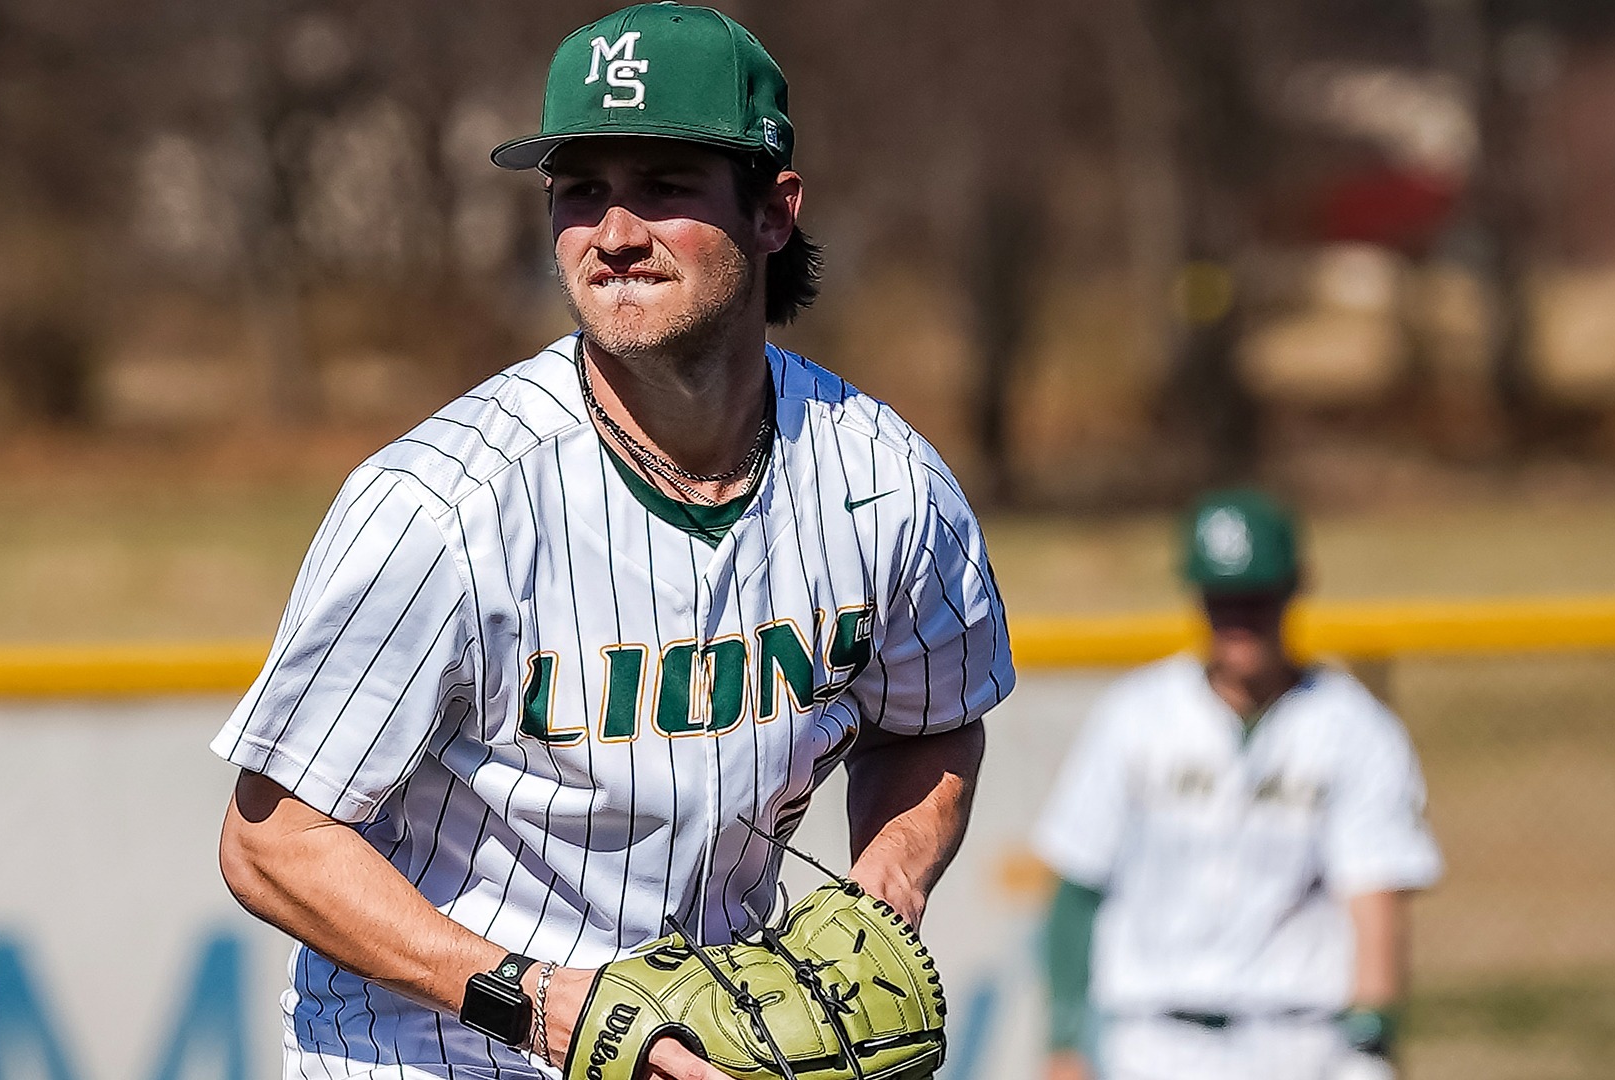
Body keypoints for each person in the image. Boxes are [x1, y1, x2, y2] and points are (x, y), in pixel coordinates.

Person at [211, 5, 1015, 1079]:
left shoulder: (888, 484)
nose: (616, 232)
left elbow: (930, 723)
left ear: (775, 213)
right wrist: (536, 1004)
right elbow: (273, 843)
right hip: (438, 1054)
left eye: (666, 185)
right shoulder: (440, 507)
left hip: (713, 1052)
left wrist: (891, 880)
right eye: (581, 190)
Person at [1033, 489, 1442, 1080]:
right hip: (1154, 1038)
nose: (1239, 622)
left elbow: (1374, 892)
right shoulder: (1135, 715)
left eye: (1257, 600)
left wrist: (1371, 1040)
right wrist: (1065, 1043)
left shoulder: (1354, 728)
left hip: (1300, 1037)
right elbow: (1077, 881)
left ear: (1294, 590)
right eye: (1222, 601)